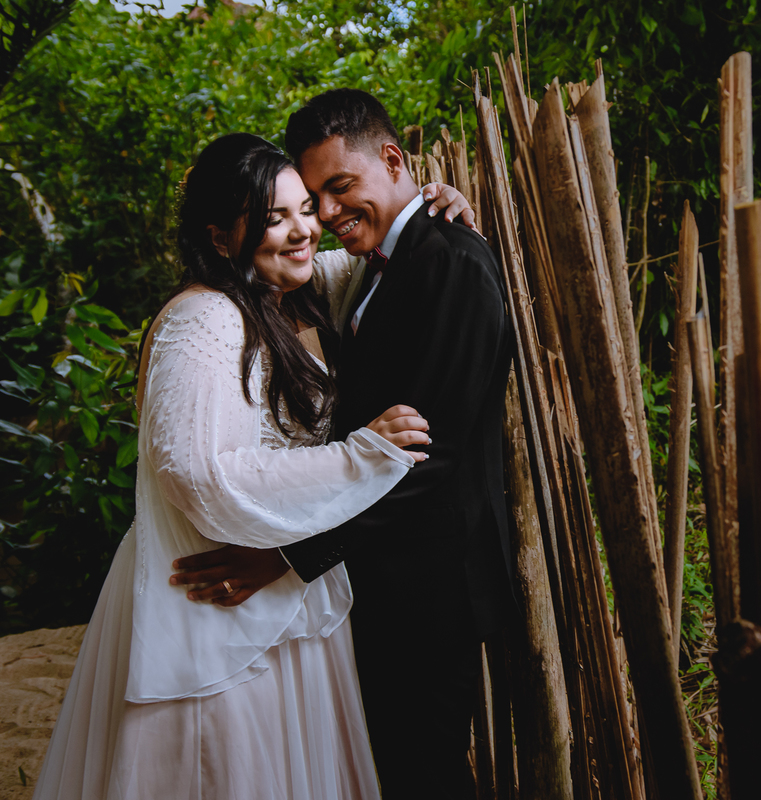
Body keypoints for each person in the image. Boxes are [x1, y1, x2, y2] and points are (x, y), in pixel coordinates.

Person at [30, 132, 468, 800]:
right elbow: (195, 473)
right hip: (216, 606)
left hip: (284, 594)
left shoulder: (294, 289)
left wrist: (428, 202)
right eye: (273, 218)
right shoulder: (203, 317)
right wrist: (359, 459)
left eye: (303, 210)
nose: (301, 231)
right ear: (219, 235)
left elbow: (377, 260)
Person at [172, 90, 516, 798]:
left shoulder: (450, 261)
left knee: (427, 772)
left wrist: (292, 557)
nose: (326, 216)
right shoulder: (369, 268)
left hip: (432, 586)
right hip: (379, 580)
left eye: (339, 189)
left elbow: (431, 455)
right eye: (313, 198)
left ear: (392, 159)